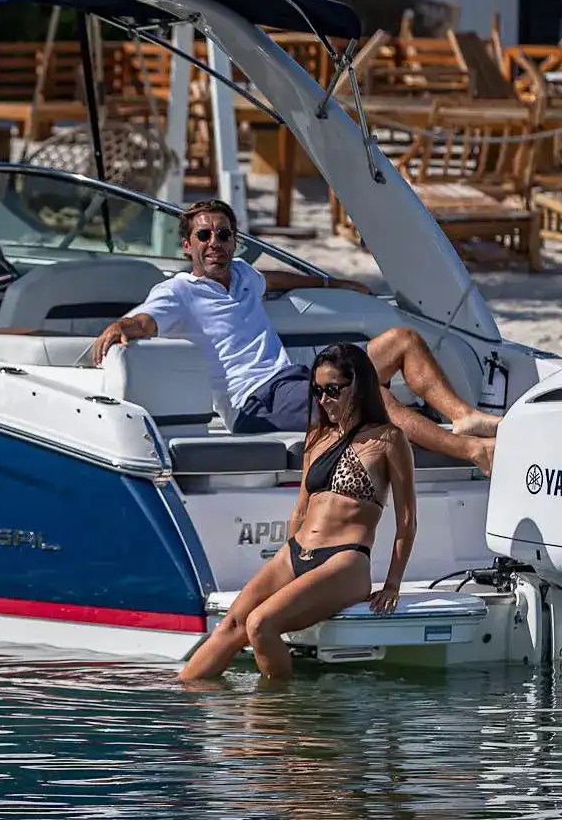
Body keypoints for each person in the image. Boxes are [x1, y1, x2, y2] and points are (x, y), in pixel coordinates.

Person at [91, 199, 498, 473]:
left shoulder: (243, 276)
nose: (214, 243)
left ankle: (464, 419)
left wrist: (332, 282)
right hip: (255, 403)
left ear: (235, 241)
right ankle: (472, 452)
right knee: (370, 393)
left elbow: (275, 278)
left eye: (223, 235)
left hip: (294, 380)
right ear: (187, 245)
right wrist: (120, 327)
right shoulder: (179, 291)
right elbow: (146, 320)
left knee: (402, 340)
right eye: (204, 236)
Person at [178, 343, 415, 680]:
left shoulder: (388, 440)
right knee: (233, 623)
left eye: (332, 390)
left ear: (358, 387)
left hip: (345, 559)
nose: (323, 400)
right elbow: (301, 510)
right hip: (297, 552)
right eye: (317, 391)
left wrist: (393, 583)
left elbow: (407, 518)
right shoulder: (317, 438)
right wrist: (289, 563)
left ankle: (280, 719)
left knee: (261, 624)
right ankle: (184, 705)